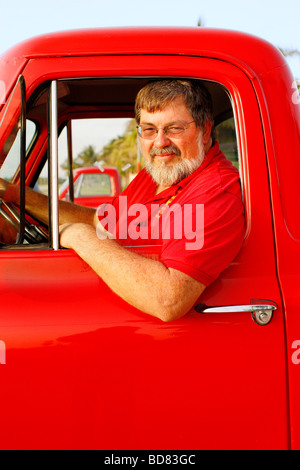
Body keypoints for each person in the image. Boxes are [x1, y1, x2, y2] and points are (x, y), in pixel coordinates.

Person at [0, 79, 245, 322]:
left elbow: (168, 300)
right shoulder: (155, 176)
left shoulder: (217, 191)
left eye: (174, 128)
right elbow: (100, 222)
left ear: (204, 131)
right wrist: (15, 195)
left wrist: (80, 237)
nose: (159, 142)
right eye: (149, 129)